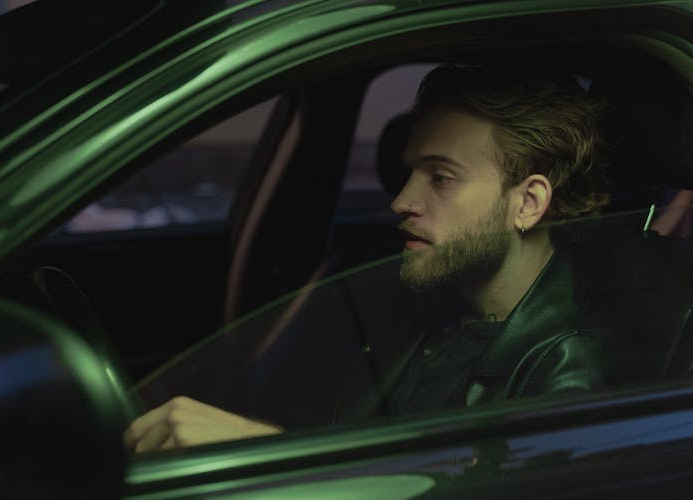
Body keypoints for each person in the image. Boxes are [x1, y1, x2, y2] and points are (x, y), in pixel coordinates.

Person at [124, 64, 614, 452]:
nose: (401, 200)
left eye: (440, 177)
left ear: (527, 203)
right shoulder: (412, 298)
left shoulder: (567, 374)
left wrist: (262, 451)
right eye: (410, 173)